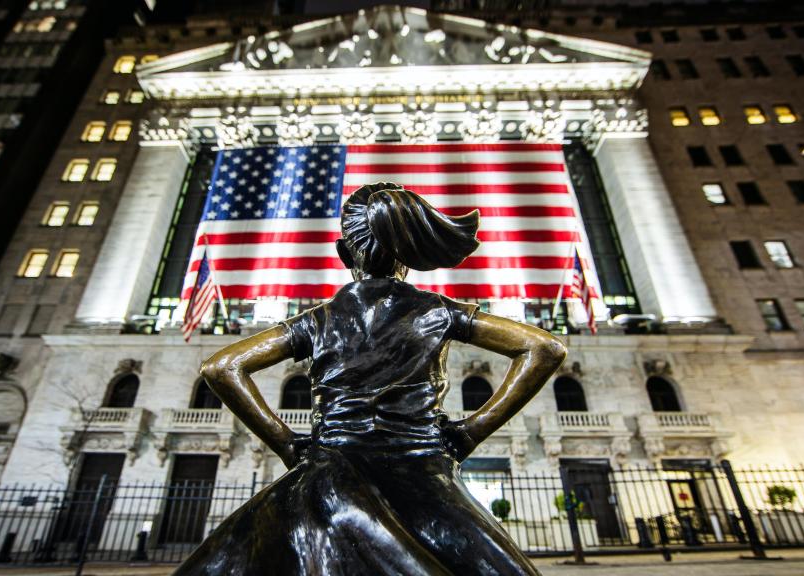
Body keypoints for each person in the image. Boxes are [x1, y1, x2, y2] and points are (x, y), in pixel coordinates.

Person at [177, 182, 567, 575]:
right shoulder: (438, 311)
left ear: (344, 252)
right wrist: (471, 431)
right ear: (407, 256)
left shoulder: (318, 320)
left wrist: (287, 443)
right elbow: (544, 349)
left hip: (328, 474)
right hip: (423, 475)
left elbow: (221, 367)